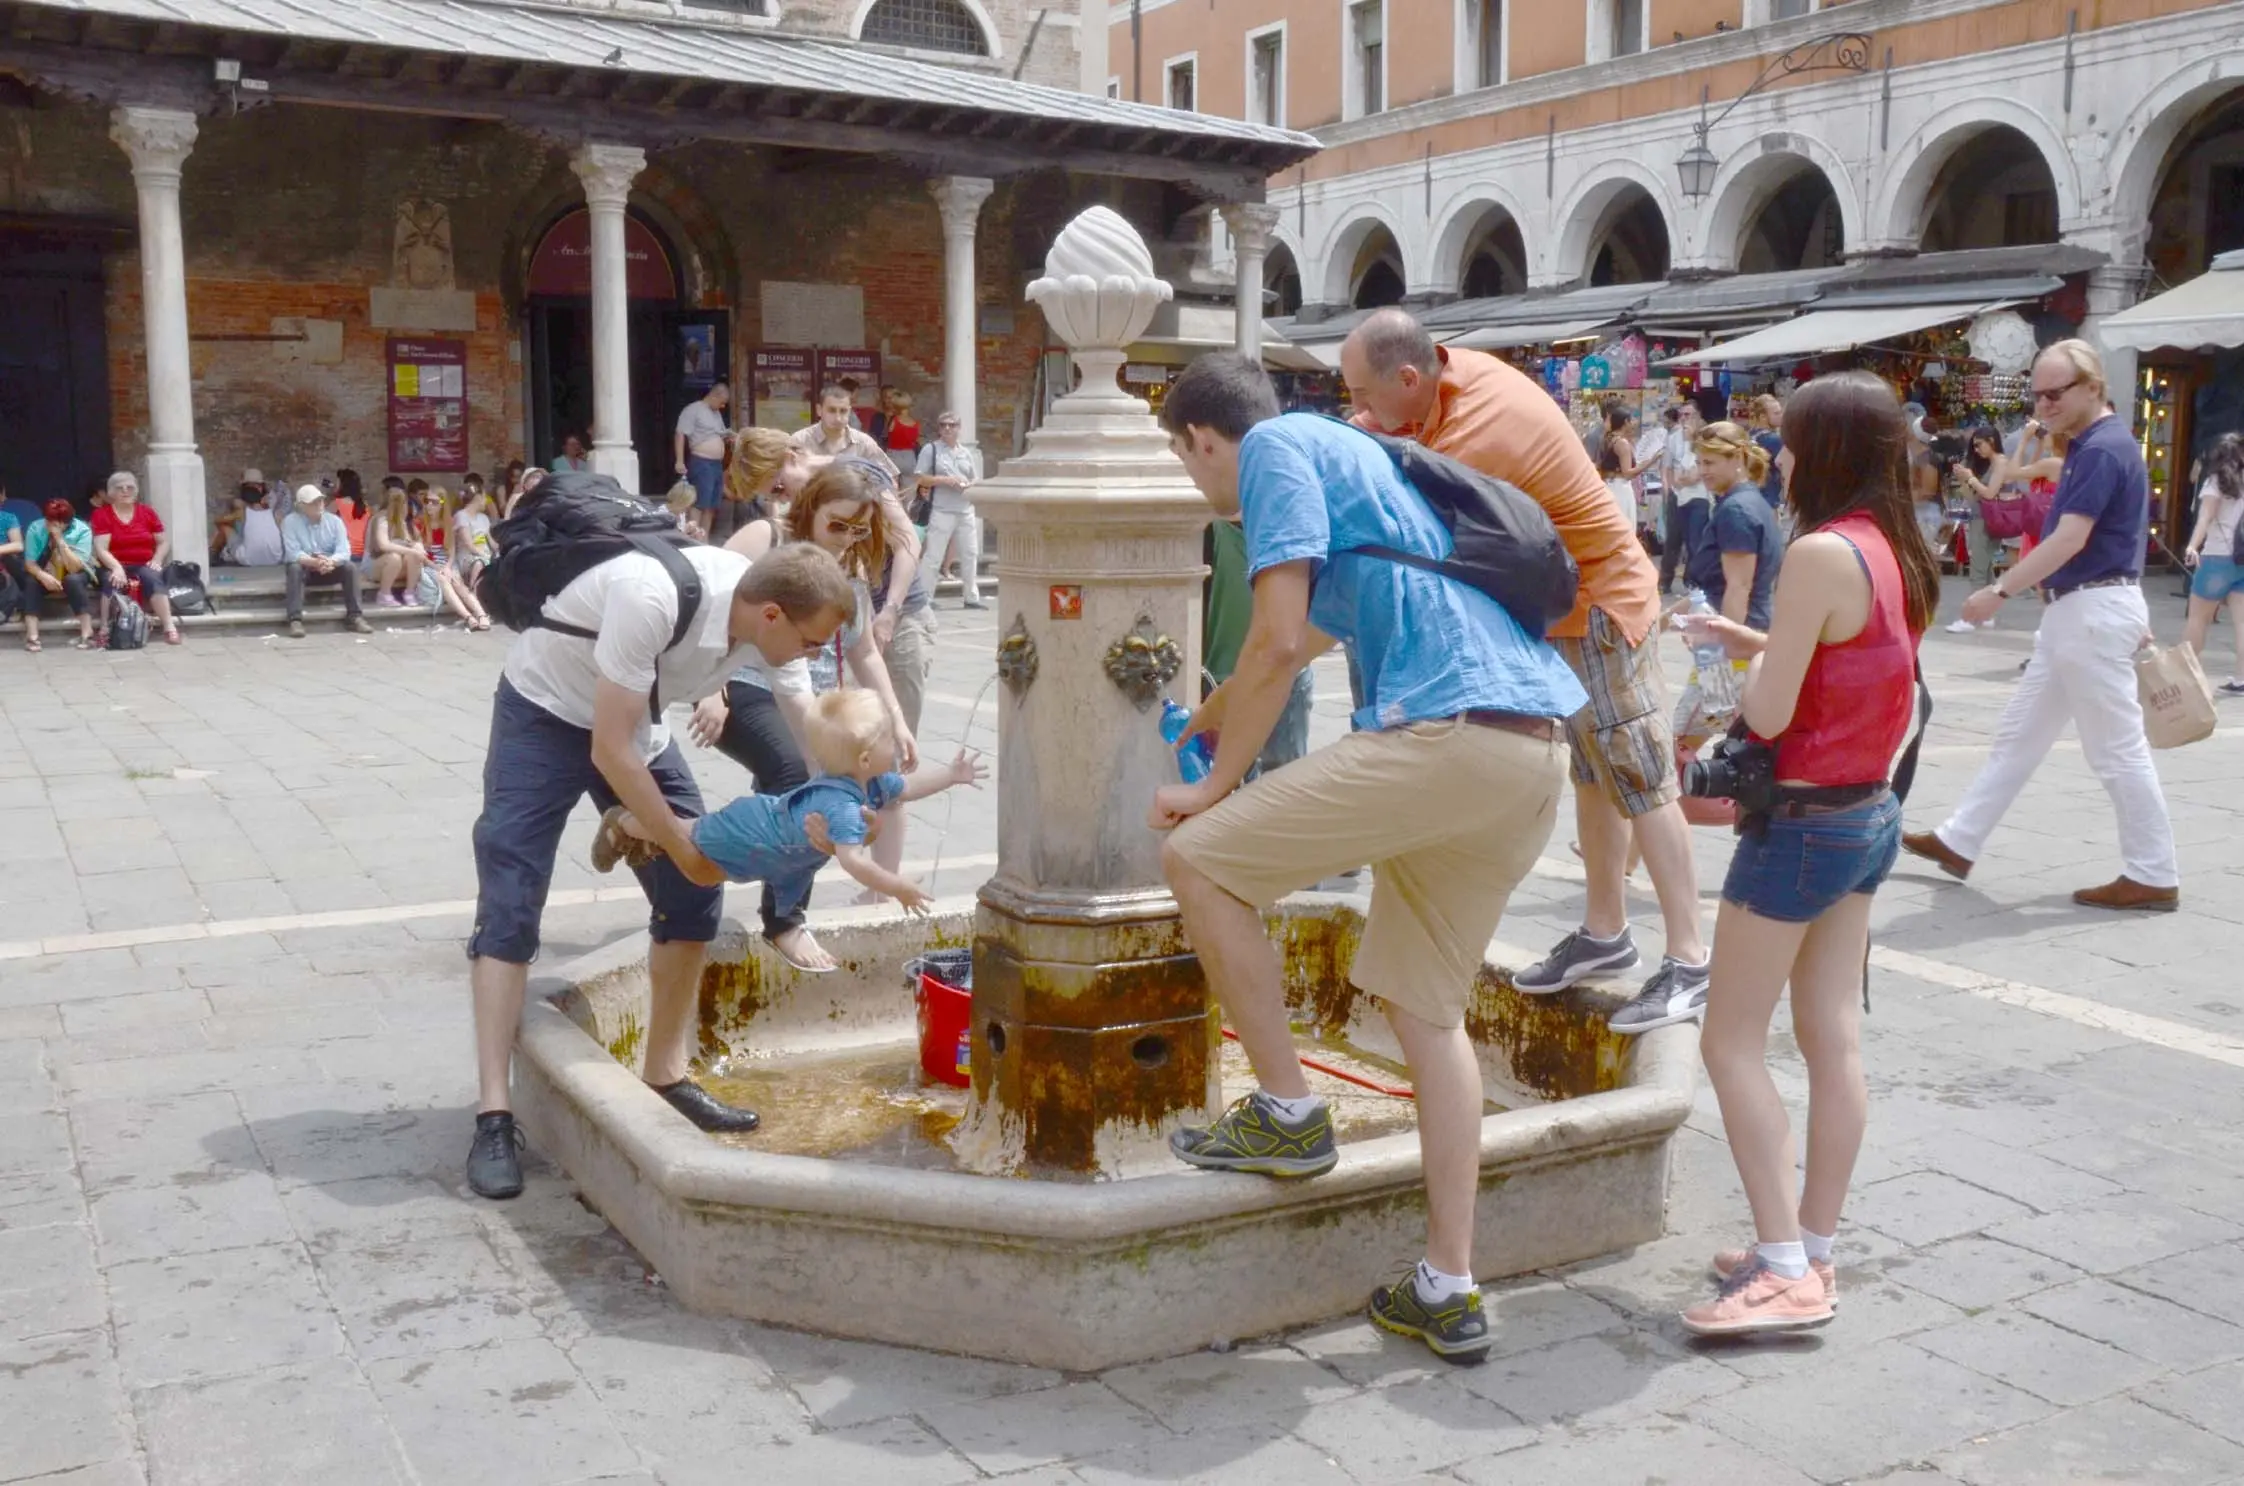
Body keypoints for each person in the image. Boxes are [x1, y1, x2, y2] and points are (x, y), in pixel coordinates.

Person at [1150, 351, 1585, 1362]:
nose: (1202, 488)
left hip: (1441, 738)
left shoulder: (1269, 449)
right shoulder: (1362, 457)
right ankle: (1447, 1282)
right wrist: (1203, 724)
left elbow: (1273, 638)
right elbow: (1297, 647)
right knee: (1427, 1012)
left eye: (1188, 466)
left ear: (1201, 440)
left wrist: (1209, 789)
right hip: (1525, 753)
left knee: (1203, 862)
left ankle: (1290, 1113)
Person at [1339, 309, 1710, 1034]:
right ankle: (1607, 933)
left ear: (1409, 376)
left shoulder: (1483, 427)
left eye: (1362, 394)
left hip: (1601, 602)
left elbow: (1415, 515)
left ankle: (1692, 959)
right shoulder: (1452, 377)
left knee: (1641, 775)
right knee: (1595, 774)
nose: (1358, 409)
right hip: (1563, 607)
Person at [464, 541, 856, 1199]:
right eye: (812, 643)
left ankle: (665, 1077)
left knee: (695, 891)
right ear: (770, 616)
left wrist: (848, 797)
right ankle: (493, 1116)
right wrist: (675, 836)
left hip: (636, 731)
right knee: (511, 902)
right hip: (546, 712)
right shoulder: (652, 596)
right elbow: (610, 752)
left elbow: (811, 735)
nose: (813, 656)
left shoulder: (769, 629)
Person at [1675, 370, 1937, 1337]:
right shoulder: (1899, 549)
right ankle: (1811, 1248)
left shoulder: (1824, 548)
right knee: (1833, 1038)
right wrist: (1763, 640)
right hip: (1869, 812)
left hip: (1805, 823)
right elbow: (1853, 662)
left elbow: (1773, 710)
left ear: (1822, 451)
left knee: (1729, 1038)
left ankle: (1783, 1266)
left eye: (1787, 438)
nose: (1777, 453)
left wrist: (1734, 682)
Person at [1903, 340, 2180, 911]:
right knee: (2019, 737)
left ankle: (2153, 872)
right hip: (2084, 612)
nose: (2044, 404)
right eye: (2037, 394)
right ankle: (1960, 839)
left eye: (2056, 393)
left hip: (2091, 611)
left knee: (2117, 750)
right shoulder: (2092, 445)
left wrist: (1999, 590)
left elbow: (2070, 538)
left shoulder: (2101, 449)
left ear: (2093, 387)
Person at [704, 461, 922, 968]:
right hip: (746, 686)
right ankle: (784, 921)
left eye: (857, 529)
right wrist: (709, 689)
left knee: (841, 792)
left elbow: (865, 652)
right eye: (837, 524)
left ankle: (742, 854)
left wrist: (896, 720)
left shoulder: (852, 573)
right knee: (795, 774)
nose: (846, 538)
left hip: (813, 704)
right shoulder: (769, 536)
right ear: (810, 510)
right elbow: (716, 602)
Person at [595, 687, 982, 913]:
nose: (893, 743)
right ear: (865, 759)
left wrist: (951, 776)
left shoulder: (874, 781)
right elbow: (853, 862)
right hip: (748, 831)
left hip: (772, 841)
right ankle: (624, 823)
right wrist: (896, 886)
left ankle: (643, 838)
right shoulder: (843, 807)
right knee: (683, 833)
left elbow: (909, 788)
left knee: (696, 857)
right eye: (886, 738)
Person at [2183, 432, 2244, 696]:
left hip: (2217, 557)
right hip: (2242, 559)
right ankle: (2242, 679)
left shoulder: (2215, 482)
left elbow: (2205, 518)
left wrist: (2192, 546)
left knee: (2198, 619)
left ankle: (2185, 674)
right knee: (2242, 623)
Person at [90, 470, 181, 646]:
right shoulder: (102, 514)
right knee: (111, 582)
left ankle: (170, 627)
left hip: (143, 562)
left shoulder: (147, 513)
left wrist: (157, 559)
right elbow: (101, 549)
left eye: (130, 487)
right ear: (110, 492)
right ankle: (104, 629)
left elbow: (163, 542)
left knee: (154, 580)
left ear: (136, 491)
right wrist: (116, 568)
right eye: (120, 488)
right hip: (114, 563)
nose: (125, 491)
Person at [281, 483, 374, 639]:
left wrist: (330, 562)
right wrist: (313, 562)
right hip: (306, 568)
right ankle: (295, 620)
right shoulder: (290, 522)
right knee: (294, 568)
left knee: (350, 567)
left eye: (320, 500)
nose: (319, 504)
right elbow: (293, 553)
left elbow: (344, 551)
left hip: (329, 567)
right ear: (302, 506)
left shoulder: (335, 521)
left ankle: (355, 616)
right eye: (314, 502)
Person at [915, 412, 986, 609]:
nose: (947, 428)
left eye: (952, 425)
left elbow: (975, 478)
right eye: (943, 425)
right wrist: (945, 480)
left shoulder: (965, 452)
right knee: (933, 556)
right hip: (941, 509)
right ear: (939, 428)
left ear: (958, 428)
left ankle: (971, 597)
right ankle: (924, 597)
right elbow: (920, 477)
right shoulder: (931, 450)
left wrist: (968, 484)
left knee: (970, 554)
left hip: (964, 508)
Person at [21, 499, 99, 650]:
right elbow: (29, 563)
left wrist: (59, 539)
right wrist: (43, 576)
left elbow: (75, 567)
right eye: (51, 521)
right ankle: (32, 636)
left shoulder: (82, 530)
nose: (55, 525)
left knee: (73, 580)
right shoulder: (36, 528)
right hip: (46, 570)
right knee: (31, 581)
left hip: (75, 570)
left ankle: (87, 632)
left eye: (61, 522)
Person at [673, 381, 735, 539]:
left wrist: (729, 436)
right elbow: (680, 434)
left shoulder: (716, 413)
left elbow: (719, 433)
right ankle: (693, 536)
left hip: (716, 464)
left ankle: (704, 537)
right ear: (714, 395)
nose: (722, 407)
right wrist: (679, 460)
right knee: (700, 502)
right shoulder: (693, 410)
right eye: (722, 402)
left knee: (712, 505)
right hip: (702, 461)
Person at [1660, 404, 1710, 596]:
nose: (1684, 419)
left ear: (1697, 417)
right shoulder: (1672, 438)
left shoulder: (1704, 439)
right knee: (1672, 539)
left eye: (1688, 415)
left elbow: (1694, 475)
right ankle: (1665, 580)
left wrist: (1683, 478)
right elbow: (1667, 467)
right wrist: (1668, 488)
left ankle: (1693, 580)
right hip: (1677, 494)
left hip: (1698, 496)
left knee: (1694, 540)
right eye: (1681, 415)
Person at [368, 482, 429, 609]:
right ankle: (384, 594)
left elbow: (410, 543)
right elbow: (383, 545)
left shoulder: (402, 522)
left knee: (414, 555)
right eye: (405, 504)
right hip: (377, 567)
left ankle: (409, 592)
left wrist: (417, 547)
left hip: (397, 568)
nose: (407, 507)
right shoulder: (381, 519)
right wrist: (411, 550)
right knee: (394, 557)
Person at [792, 385, 887, 465]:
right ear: (819, 410)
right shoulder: (800, 440)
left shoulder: (864, 443)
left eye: (843, 411)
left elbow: (888, 477)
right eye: (831, 410)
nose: (838, 418)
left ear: (850, 411)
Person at [1596, 405, 1642, 532]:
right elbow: (1627, 473)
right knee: (1625, 526)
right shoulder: (1621, 443)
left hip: (1609, 485)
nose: (1633, 423)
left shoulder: (1607, 439)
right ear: (1625, 422)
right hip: (1620, 486)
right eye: (1631, 420)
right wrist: (1649, 462)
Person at [451, 480, 496, 588]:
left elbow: (491, 542)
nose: (486, 501)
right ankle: (474, 591)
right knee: (479, 562)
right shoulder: (461, 516)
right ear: (478, 498)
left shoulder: (484, 518)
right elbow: (469, 545)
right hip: (468, 557)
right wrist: (485, 556)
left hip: (485, 555)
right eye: (484, 497)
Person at [1752, 393, 1786, 504]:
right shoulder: (1774, 440)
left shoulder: (1749, 435)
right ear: (1763, 417)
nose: (1781, 416)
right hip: (1769, 497)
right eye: (1776, 413)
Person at [879, 386, 920, 473]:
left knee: (892, 484)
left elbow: (886, 434)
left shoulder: (894, 420)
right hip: (909, 457)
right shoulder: (916, 423)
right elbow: (916, 441)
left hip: (894, 456)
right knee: (909, 485)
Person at [0, 492, 23, 640]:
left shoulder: (8, 518)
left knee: (11, 566)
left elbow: (18, 544)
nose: (5, 498)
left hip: (3, 563)